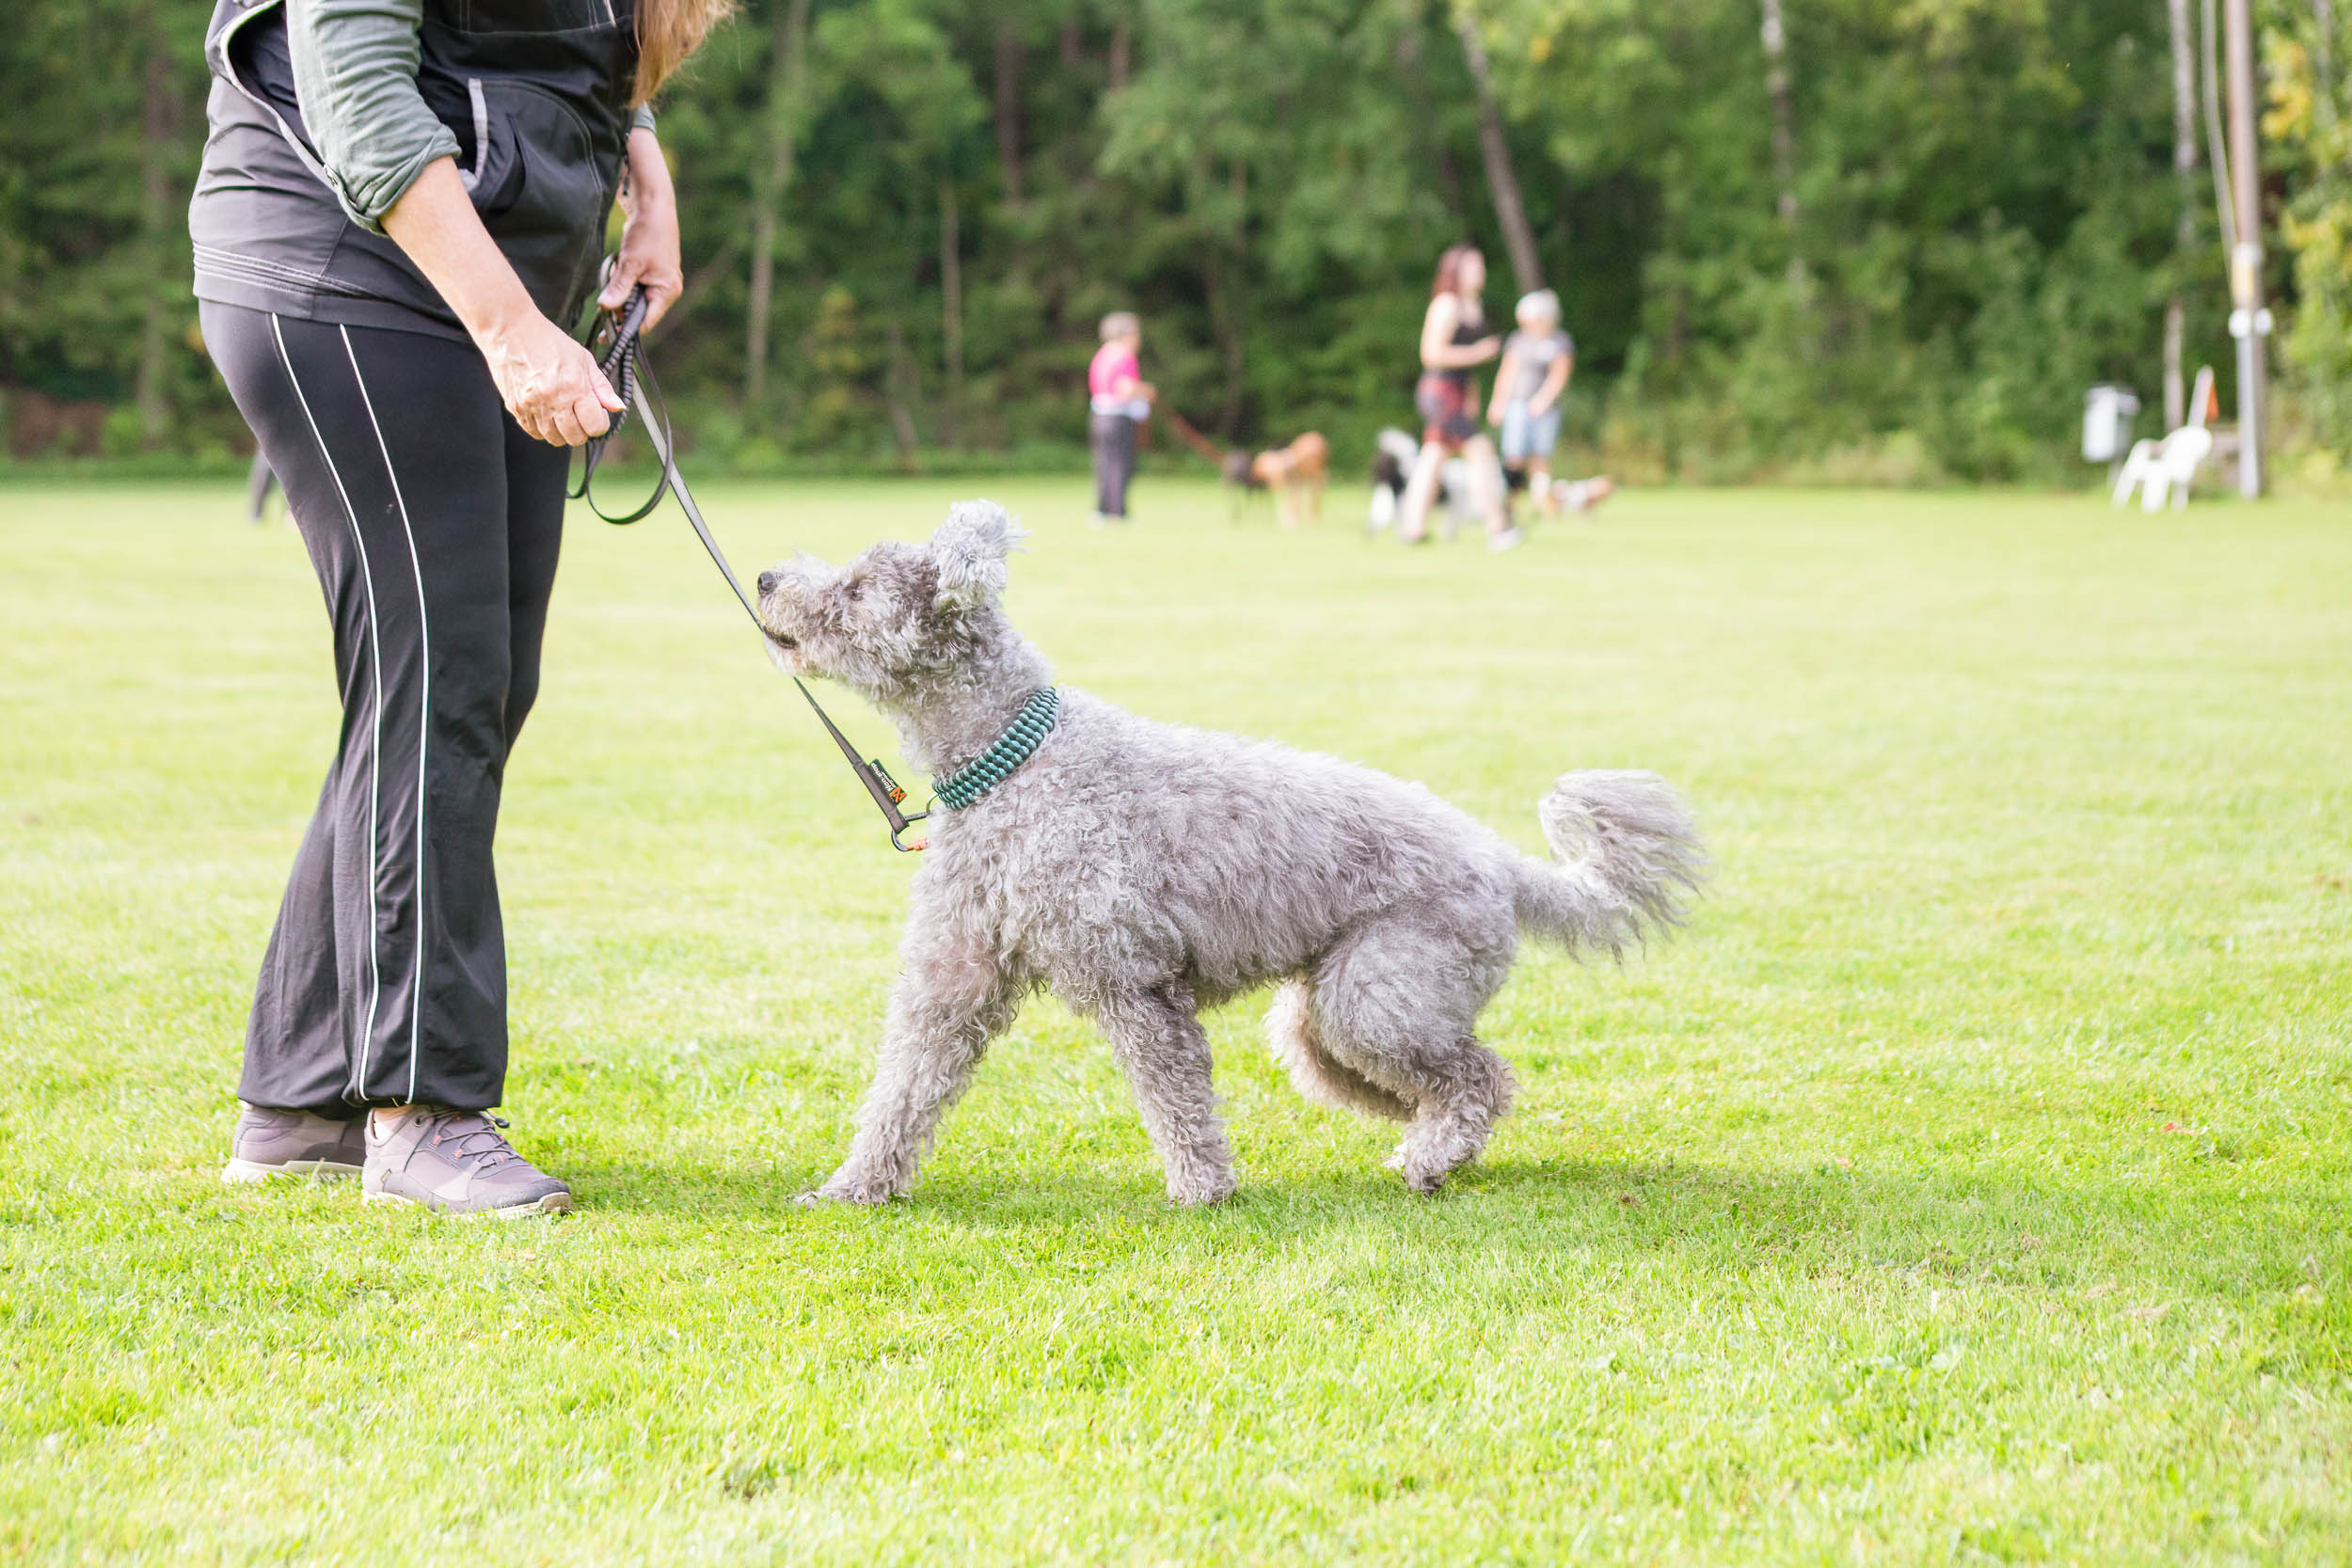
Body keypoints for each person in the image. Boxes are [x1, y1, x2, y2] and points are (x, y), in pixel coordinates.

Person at [192, 0, 725, 1215]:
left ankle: (304, 1099)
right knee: (441, 673)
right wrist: (512, 329)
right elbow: (358, 85)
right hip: (350, 269)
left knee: (463, 683)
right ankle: (419, 1110)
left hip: (491, 287)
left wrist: (642, 166)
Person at [1396, 244, 1515, 550]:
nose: (1481, 271)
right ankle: (1498, 526)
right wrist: (1477, 353)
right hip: (1439, 392)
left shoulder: (1473, 305)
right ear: (1457, 270)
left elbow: (1468, 370)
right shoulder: (1446, 305)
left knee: (1434, 456)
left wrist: (1472, 396)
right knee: (1480, 450)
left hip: (1458, 393)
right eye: (1475, 266)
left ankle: (1412, 527)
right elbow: (1431, 354)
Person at [1489, 290, 1615, 521]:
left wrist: (1543, 400)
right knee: (1513, 457)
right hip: (1517, 404)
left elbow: (1560, 374)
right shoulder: (1519, 340)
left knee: (1540, 457)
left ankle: (1540, 504)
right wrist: (1498, 401)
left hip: (1545, 409)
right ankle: (1510, 504)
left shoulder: (1559, 341)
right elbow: (1507, 372)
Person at [1088, 312, 1154, 526]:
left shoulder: (1101, 355)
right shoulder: (1124, 356)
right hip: (1118, 416)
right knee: (1121, 463)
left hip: (1099, 415)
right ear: (1126, 335)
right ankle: (1118, 512)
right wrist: (1146, 391)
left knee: (1103, 464)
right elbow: (1125, 388)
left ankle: (1102, 510)